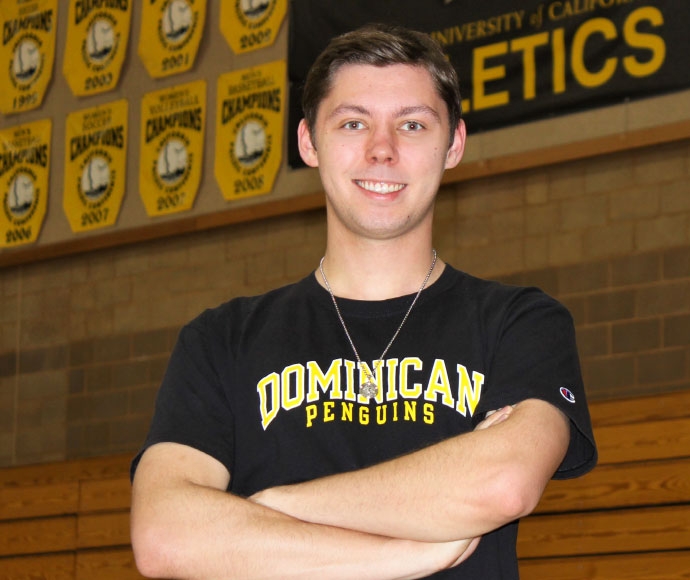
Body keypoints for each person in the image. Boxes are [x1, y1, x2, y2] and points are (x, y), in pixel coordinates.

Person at [130, 23, 597, 579]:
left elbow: (503, 483)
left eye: (412, 124)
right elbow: (163, 534)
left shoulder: (519, 323)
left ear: (453, 145)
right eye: (353, 123)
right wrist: (400, 556)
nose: (382, 149)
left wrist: (273, 506)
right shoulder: (221, 340)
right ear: (309, 142)